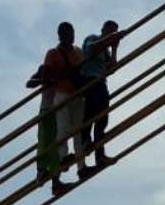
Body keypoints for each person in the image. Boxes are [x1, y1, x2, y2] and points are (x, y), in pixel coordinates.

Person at [44, 22, 97, 183]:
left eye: (72, 32)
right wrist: (65, 74)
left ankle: (81, 167)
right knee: (64, 128)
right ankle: (63, 158)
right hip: (61, 94)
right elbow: (47, 74)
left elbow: (87, 69)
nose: (71, 36)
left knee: (78, 132)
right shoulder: (53, 53)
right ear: (61, 35)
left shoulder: (78, 52)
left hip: (77, 95)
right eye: (68, 33)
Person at [81, 20, 128, 168]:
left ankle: (99, 156)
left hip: (101, 82)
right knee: (91, 110)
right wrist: (110, 40)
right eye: (111, 31)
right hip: (89, 80)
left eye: (114, 32)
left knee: (102, 118)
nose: (112, 34)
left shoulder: (106, 50)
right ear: (104, 29)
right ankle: (85, 140)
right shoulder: (93, 38)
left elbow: (112, 68)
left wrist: (114, 48)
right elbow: (92, 49)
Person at [27, 64, 72, 196]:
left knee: (55, 146)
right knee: (45, 142)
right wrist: (45, 79)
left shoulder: (64, 68)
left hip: (58, 110)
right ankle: (41, 170)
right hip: (47, 110)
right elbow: (30, 83)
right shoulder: (46, 68)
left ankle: (56, 182)